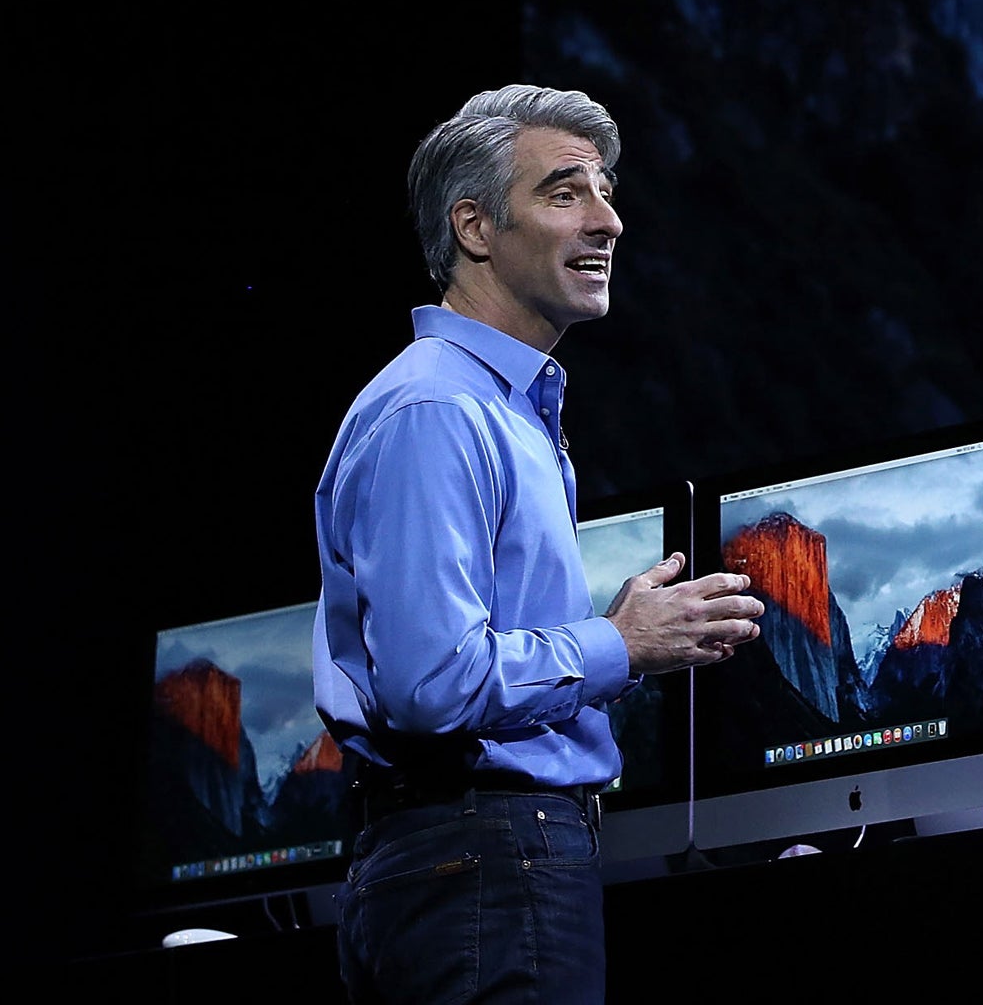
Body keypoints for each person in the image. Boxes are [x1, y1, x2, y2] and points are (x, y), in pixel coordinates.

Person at [311, 84, 764, 1004]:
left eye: (605, 190)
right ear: (475, 227)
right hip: (481, 856)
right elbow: (431, 682)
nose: (609, 221)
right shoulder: (439, 410)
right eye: (565, 193)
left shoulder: (495, 408)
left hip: (474, 860)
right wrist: (623, 643)